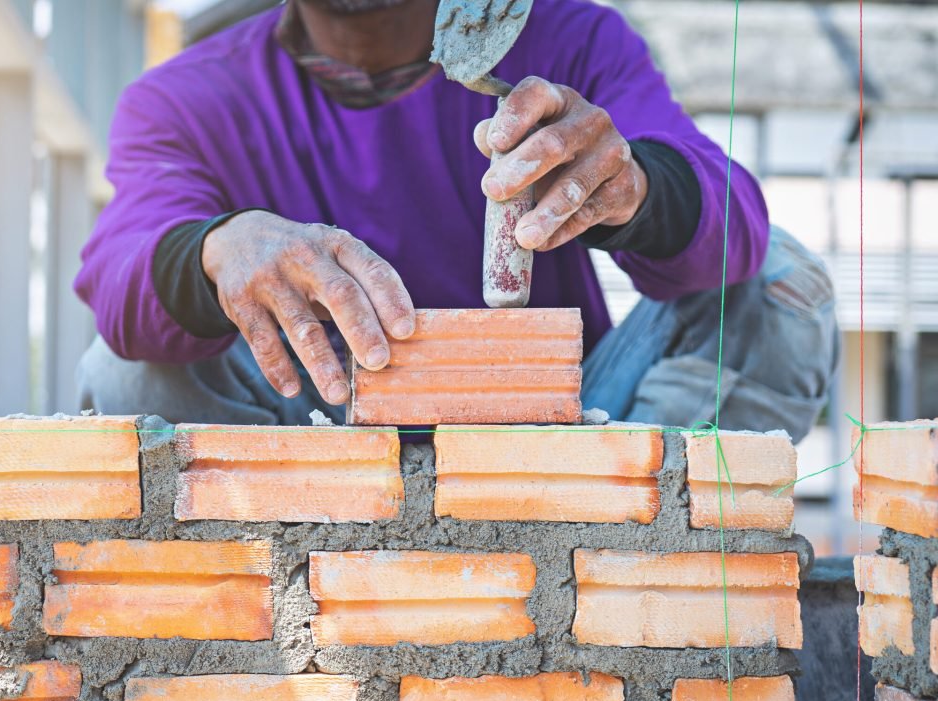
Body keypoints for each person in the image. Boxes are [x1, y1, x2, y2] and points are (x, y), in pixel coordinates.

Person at [74, 0, 838, 441]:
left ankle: (634, 565)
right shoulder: (186, 96)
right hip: (317, 458)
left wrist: (627, 186)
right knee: (127, 370)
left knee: (778, 287)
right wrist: (219, 249)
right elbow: (119, 277)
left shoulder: (566, 37)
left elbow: (734, 223)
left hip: (563, 441)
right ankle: (287, 602)